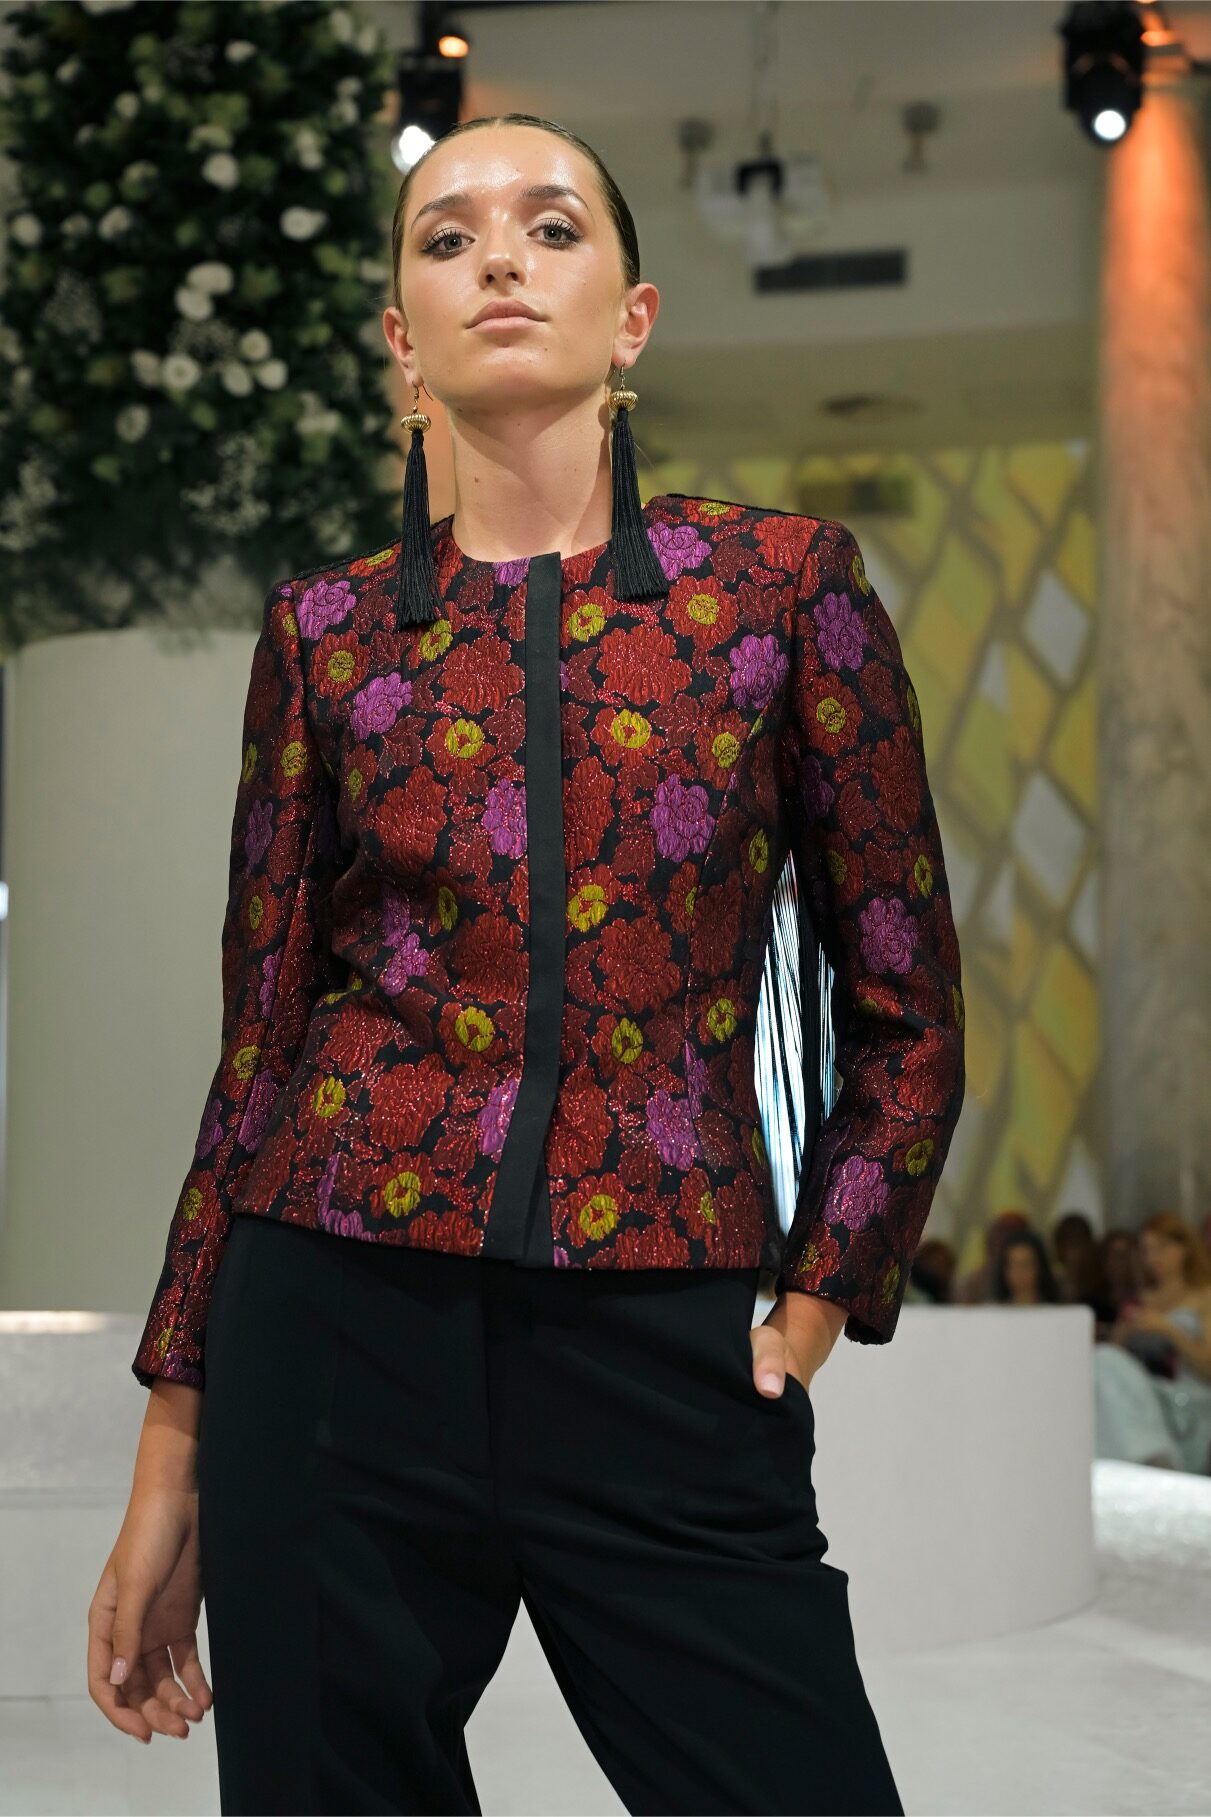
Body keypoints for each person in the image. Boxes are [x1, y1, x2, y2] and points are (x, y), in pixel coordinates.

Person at [87, 114, 966, 1814]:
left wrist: (812, 1306)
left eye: (550, 226)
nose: (497, 255)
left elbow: (907, 1008)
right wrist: (172, 1450)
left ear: (631, 316)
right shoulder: (325, 631)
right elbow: (257, 1057)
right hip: (327, 1333)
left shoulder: (779, 589)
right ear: (401, 340)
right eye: (446, 235)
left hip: (658, 1336)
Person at [1093, 1211, 1211, 1473]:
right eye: (1146, 1250)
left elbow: (1207, 1367)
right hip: (1147, 1399)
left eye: (1161, 1248)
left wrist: (1168, 1329)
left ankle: (1158, 1461)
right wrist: (1123, 1332)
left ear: (1184, 1249)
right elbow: (1111, 1365)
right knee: (1101, 1361)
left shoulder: (1204, 1297)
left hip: (1187, 1402)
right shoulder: (1140, 1299)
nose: (1153, 1258)